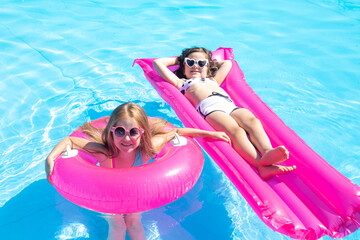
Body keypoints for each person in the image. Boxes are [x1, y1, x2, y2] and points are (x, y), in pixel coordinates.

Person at [45, 102, 230, 240]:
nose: (126, 138)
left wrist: (211, 134)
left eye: (133, 132)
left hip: (136, 196)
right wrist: (50, 157)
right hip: (108, 198)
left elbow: (177, 132)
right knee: (117, 224)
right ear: (111, 131)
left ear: (142, 133)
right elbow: (70, 142)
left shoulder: (148, 149)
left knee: (133, 222)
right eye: (120, 131)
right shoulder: (104, 150)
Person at [153, 47, 296, 180]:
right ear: (183, 66)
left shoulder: (213, 80)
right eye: (190, 62)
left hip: (229, 105)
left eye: (201, 63)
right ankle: (260, 166)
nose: (195, 66)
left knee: (253, 122)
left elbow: (227, 63)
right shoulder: (181, 83)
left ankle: (267, 152)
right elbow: (157, 63)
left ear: (208, 67)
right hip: (209, 108)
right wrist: (180, 58)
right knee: (236, 131)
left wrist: (208, 61)